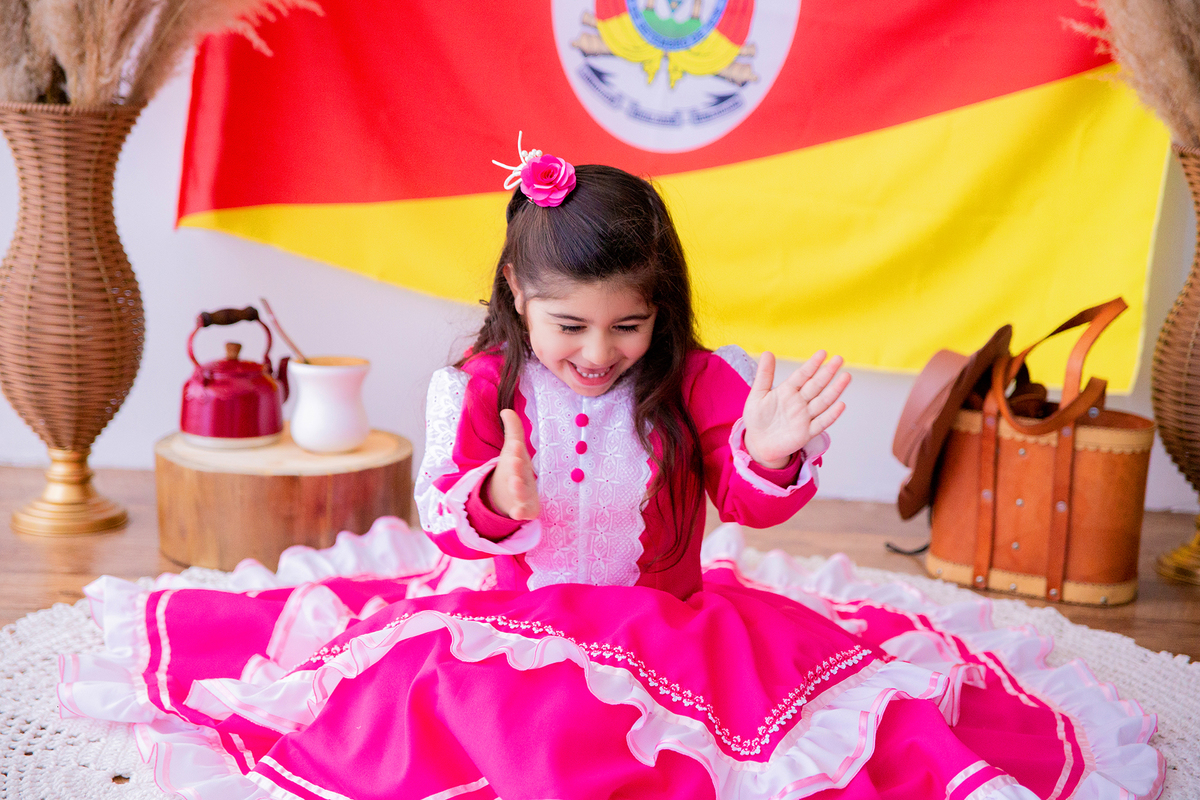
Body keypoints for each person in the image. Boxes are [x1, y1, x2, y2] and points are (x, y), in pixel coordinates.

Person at [58, 140, 1164, 800]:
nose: (597, 355)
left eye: (628, 325)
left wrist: (769, 448)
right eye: (570, 326)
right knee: (477, 712)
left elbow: (741, 488)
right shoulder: (478, 386)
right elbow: (452, 522)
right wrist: (498, 498)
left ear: (661, 309)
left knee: (771, 736)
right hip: (508, 617)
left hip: (666, 618)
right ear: (518, 295)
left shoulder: (693, 382)